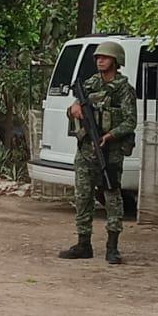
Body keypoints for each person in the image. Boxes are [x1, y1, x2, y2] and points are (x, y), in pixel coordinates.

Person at [58, 41, 137, 264]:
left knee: (112, 195)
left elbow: (131, 122)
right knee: (82, 196)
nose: (100, 60)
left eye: (105, 57)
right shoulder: (89, 85)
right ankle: (84, 244)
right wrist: (72, 110)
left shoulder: (124, 90)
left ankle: (113, 247)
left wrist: (110, 135)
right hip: (86, 151)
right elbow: (73, 109)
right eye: (98, 57)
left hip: (110, 152)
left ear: (116, 60)